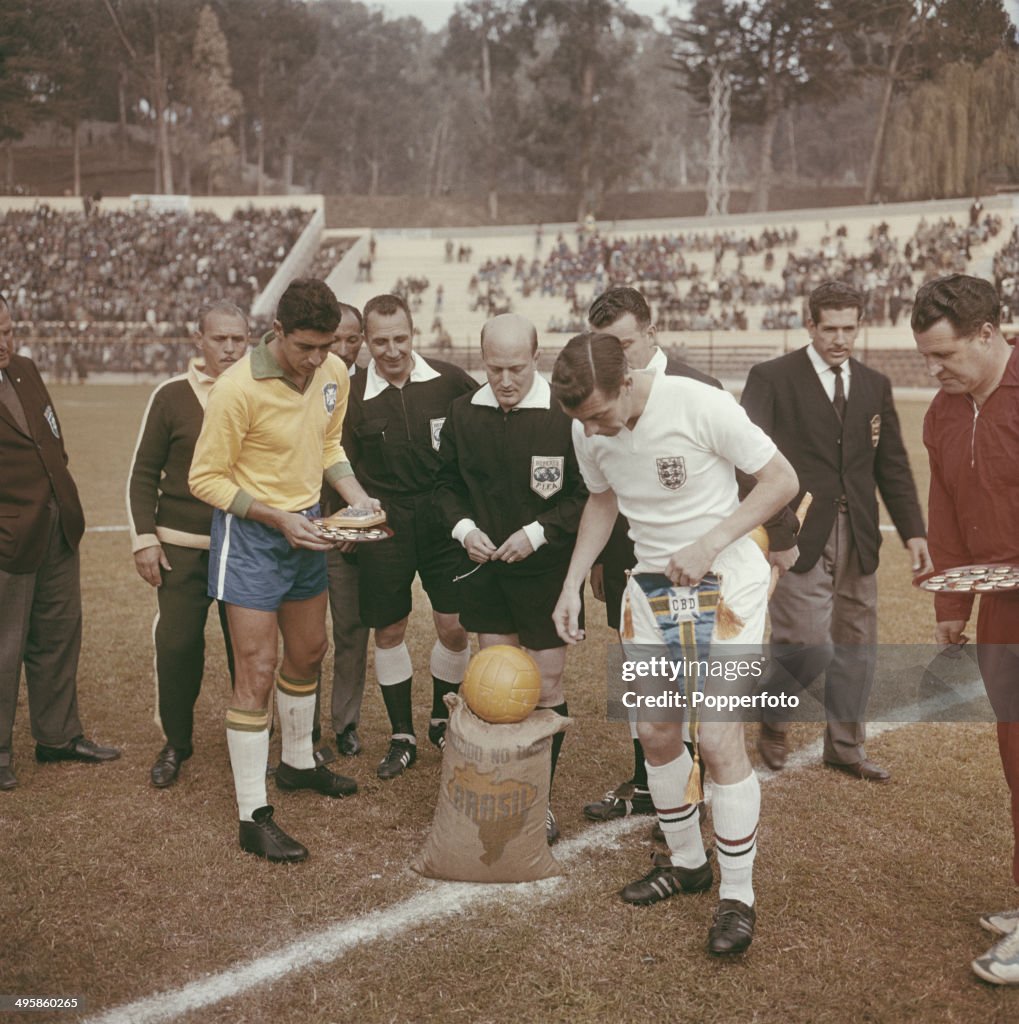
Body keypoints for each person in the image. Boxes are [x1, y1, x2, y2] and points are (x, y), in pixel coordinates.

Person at [551, 333, 797, 956]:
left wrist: (710, 543)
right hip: (651, 592)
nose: (596, 430)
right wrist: (573, 581)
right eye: (584, 422)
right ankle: (687, 863)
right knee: (657, 733)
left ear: (628, 379)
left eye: (602, 414)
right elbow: (603, 499)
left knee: (715, 739)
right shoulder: (588, 428)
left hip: (727, 587)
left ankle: (738, 899)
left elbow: (780, 480)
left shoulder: (698, 402)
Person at [581, 286, 799, 823]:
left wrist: (783, 538)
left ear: (651, 332)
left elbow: (757, 473)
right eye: (604, 346)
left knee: (714, 720)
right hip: (644, 571)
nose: (615, 358)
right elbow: (605, 493)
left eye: (625, 344)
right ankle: (652, 789)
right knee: (653, 714)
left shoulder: (699, 391)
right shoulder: (592, 407)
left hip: (713, 574)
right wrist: (596, 566)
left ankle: (707, 808)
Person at [189, 279, 379, 863]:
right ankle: (253, 814)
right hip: (252, 537)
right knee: (258, 667)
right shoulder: (235, 388)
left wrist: (356, 496)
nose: (319, 358)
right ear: (277, 333)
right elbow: (206, 479)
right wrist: (275, 518)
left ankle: (298, 762)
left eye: (328, 347)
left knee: (310, 650)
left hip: (309, 528)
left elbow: (327, 446)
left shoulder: (334, 375)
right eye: (306, 347)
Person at [741, 280, 931, 780]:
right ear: (810, 325)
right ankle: (775, 710)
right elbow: (746, 464)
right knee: (805, 641)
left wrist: (913, 531)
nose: (841, 339)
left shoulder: (873, 384)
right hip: (795, 531)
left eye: (850, 328)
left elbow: (890, 464)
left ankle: (846, 748)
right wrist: (777, 531)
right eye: (830, 329)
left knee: (855, 644)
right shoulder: (772, 377)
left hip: (861, 534)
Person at [433, 313, 587, 842]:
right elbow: (444, 486)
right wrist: (464, 527)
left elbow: (584, 498)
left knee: (544, 685)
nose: (504, 379)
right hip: (486, 572)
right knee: (497, 687)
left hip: (546, 574)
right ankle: (507, 788)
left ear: (536, 358)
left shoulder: (566, 416)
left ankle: (538, 800)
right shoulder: (462, 413)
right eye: (494, 368)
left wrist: (537, 534)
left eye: (516, 368)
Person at [912, 273, 1019, 985]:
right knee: (1016, 762)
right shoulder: (942, 413)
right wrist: (950, 606)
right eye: (925, 357)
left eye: (944, 354)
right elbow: (944, 510)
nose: (934, 370)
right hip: (1000, 612)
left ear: (987, 333)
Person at [342, 293, 477, 780]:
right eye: (380, 341)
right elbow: (335, 461)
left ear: (413, 333)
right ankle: (402, 735)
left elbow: (482, 435)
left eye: (400, 338)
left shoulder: (450, 381)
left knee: (454, 625)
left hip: (445, 521)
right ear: (366, 342)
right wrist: (350, 520)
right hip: (385, 524)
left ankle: (443, 718)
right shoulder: (351, 391)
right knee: (390, 628)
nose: (392, 350)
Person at [0, 293, 120, 790]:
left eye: (7, 329)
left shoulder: (24, 368)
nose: (4, 342)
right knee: (4, 647)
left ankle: (57, 736)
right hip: (9, 537)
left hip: (56, 527)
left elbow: (52, 437)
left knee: (57, 635)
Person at [127, 301, 248, 788]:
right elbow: (141, 474)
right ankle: (176, 741)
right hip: (181, 547)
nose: (229, 347)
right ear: (198, 339)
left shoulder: (262, 392)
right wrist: (144, 539)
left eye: (238, 339)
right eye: (219, 338)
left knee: (250, 648)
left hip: (245, 545)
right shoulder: (170, 396)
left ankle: (254, 738)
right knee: (178, 644)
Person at [317, 302, 371, 757]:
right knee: (304, 638)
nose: (343, 348)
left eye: (352, 339)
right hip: (303, 527)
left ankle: (345, 723)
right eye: (335, 338)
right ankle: (302, 727)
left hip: (351, 535)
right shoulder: (303, 384)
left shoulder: (372, 389)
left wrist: (357, 524)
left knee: (351, 630)